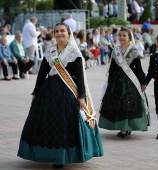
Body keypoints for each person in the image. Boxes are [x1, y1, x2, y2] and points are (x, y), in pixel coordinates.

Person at [17, 23, 103, 169]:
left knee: (64, 124)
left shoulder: (75, 52)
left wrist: (81, 96)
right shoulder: (49, 51)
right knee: (47, 123)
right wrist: (35, 92)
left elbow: (81, 77)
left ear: (69, 33)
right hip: (48, 92)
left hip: (67, 93)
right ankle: (45, 153)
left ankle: (61, 157)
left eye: (62, 31)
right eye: (56, 31)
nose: (59, 33)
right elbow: (42, 73)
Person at [99, 27, 149, 138]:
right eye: (120, 35)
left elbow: (139, 68)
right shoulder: (115, 50)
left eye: (124, 36)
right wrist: (109, 82)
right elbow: (112, 68)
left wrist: (143, 82)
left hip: (130, 81)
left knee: (128, 104)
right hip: (116, 80)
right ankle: (122, 127)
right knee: (118, 104)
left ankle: (126, 128)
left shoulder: (134, 51)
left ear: (129, 37)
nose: (121, 37)